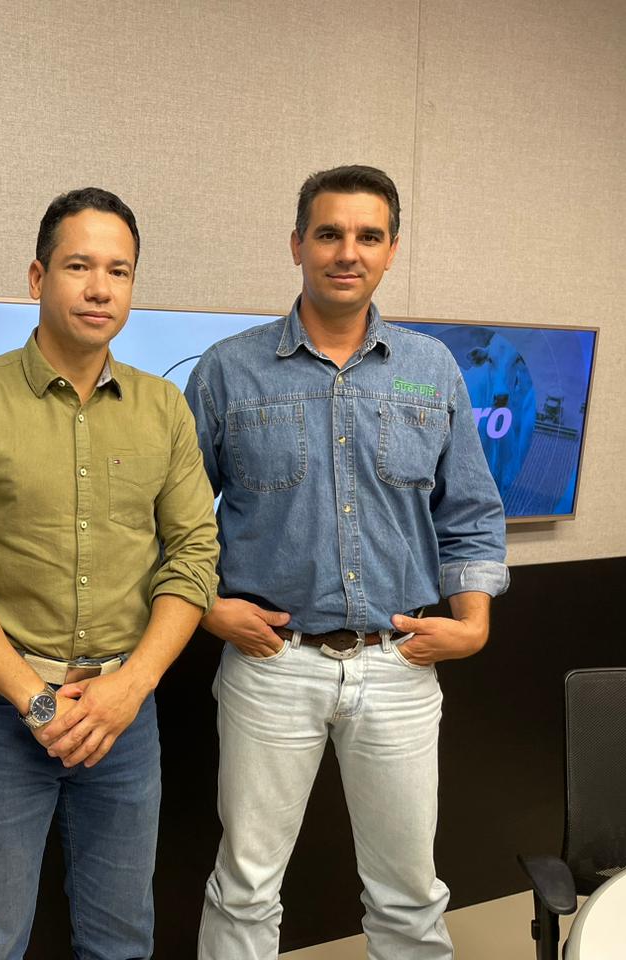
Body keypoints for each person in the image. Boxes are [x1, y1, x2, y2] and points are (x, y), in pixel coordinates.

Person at [186, 164, 508, 959]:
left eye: (368, 236)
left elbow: (469, 512)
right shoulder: (229, 369)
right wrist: (207, 606)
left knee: (409, 893)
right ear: (298, 243)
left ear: (391, 249)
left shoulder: (432, 370)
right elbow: (177, 521)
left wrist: (473, 624)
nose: (347, 252)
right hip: (271, 665)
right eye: (329, 233)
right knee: (247, 886)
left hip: (397, 665)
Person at [0, 187, 219, 960]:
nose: (100, 287)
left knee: (120, 939)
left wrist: (129, 688)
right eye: (79, 265)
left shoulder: (163, 408)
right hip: (1, 712)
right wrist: (36, 703)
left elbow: (193, 556)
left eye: (119, 270)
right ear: (38, 278)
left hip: (124, 713)